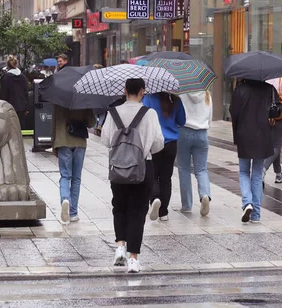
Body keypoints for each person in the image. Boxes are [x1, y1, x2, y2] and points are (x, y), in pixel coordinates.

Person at [101, 78, 164, 274]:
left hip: (118, 167)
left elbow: (105, 140)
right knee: (137, 211)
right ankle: (133, 259)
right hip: (143, 167)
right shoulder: (150, 114)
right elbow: (159, 143)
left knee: (119, 207)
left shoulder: (113, 113)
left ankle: (120, 246)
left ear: (125, 90)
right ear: (143, 91)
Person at [230, 79, 274, 223]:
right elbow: (275, 111)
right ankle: (256, 215)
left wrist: (236, 133)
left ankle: (247, 202)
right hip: (263, 134)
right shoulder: (269, 89)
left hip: (244, 134)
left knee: (243, 171)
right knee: (256, 173)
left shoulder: (240, 90)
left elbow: (233, 112)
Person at [143, 92, 186, 221]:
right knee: (166, 178)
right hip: (171, 143)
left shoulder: (149, 98)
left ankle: (155, 198)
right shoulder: (175, 100)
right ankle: (164, 212)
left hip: (155, 141)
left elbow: (144, 118)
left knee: (153, 175)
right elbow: (182, 121)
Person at [51, 103, 96, 224]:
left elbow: (54, 122)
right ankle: (73, 213)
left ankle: (65, 199)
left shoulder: (58, 98)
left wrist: (53, 143)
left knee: (65, 176)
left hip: (62, 141)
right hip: (79, 142)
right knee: (76, 178)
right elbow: (92, 123)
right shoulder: (84, 98)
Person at [177, 91, 213, 216]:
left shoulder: (182, 94)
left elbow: (178, 114)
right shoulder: (207, 94)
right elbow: (210, 118)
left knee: (184, 169)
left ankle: (186, 205)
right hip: (202, 133)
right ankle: (205, 195)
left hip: (184, 131)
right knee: (202, 169)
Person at [263, 76, 282, 184]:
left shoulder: (267, 78)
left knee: (275, 144)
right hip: (280, 115)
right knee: (276, 145)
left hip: (267, 115)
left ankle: (278, 173)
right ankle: (263, 169)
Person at [0, 56, 29, 129]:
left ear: (8, 65)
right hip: (21, 106)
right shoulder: (23, 77)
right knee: (19, 128)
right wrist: (26, 107)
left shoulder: (6, 77)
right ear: (16, 64)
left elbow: (3, 93)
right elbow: (25, 92)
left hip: (9, 106)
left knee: (10, 128)